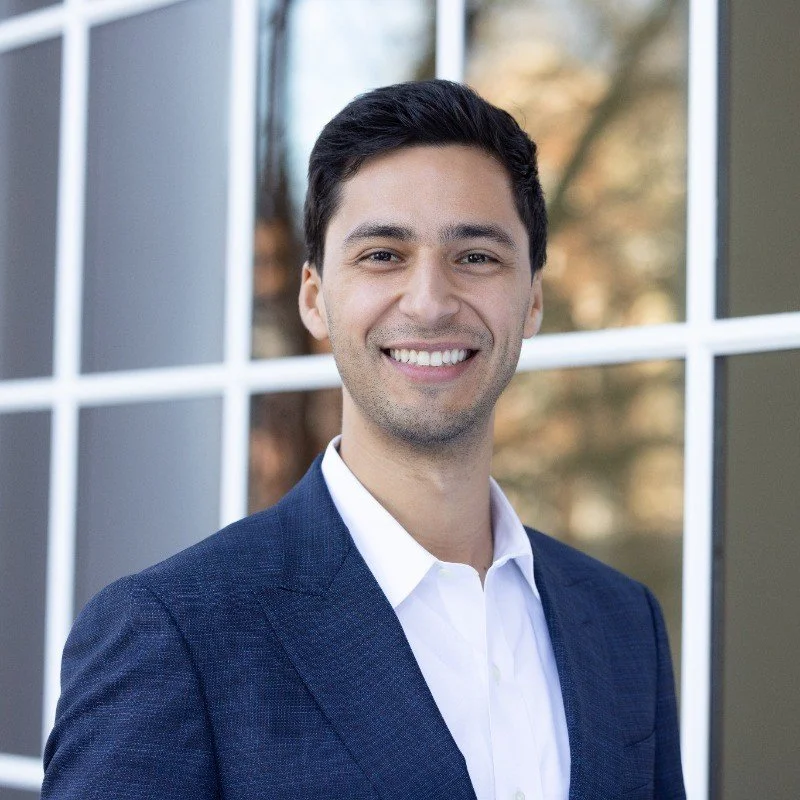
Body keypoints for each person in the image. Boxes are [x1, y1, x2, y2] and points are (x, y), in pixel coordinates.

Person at [42, 80, 685, 800]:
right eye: (383, 255)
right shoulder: (176, 633)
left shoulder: (623, 622)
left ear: (531, 298)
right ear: (315, 298)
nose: (431, 302)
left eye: (476, 256)